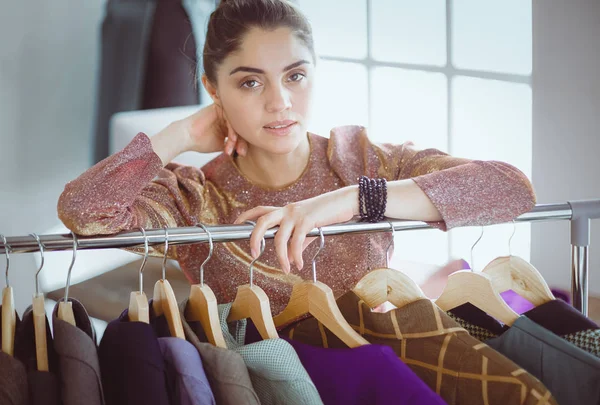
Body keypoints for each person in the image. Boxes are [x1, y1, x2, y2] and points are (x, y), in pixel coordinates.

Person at [57, 0, 536, 316]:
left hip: (382, 373)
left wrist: (350, 200)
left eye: (295, 76)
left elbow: (511, 188)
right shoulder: (194, 197)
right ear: (212, 89)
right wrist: (180, 133)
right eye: (250, 82)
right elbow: (84, 213)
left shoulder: (362, 160)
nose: (280, 102)